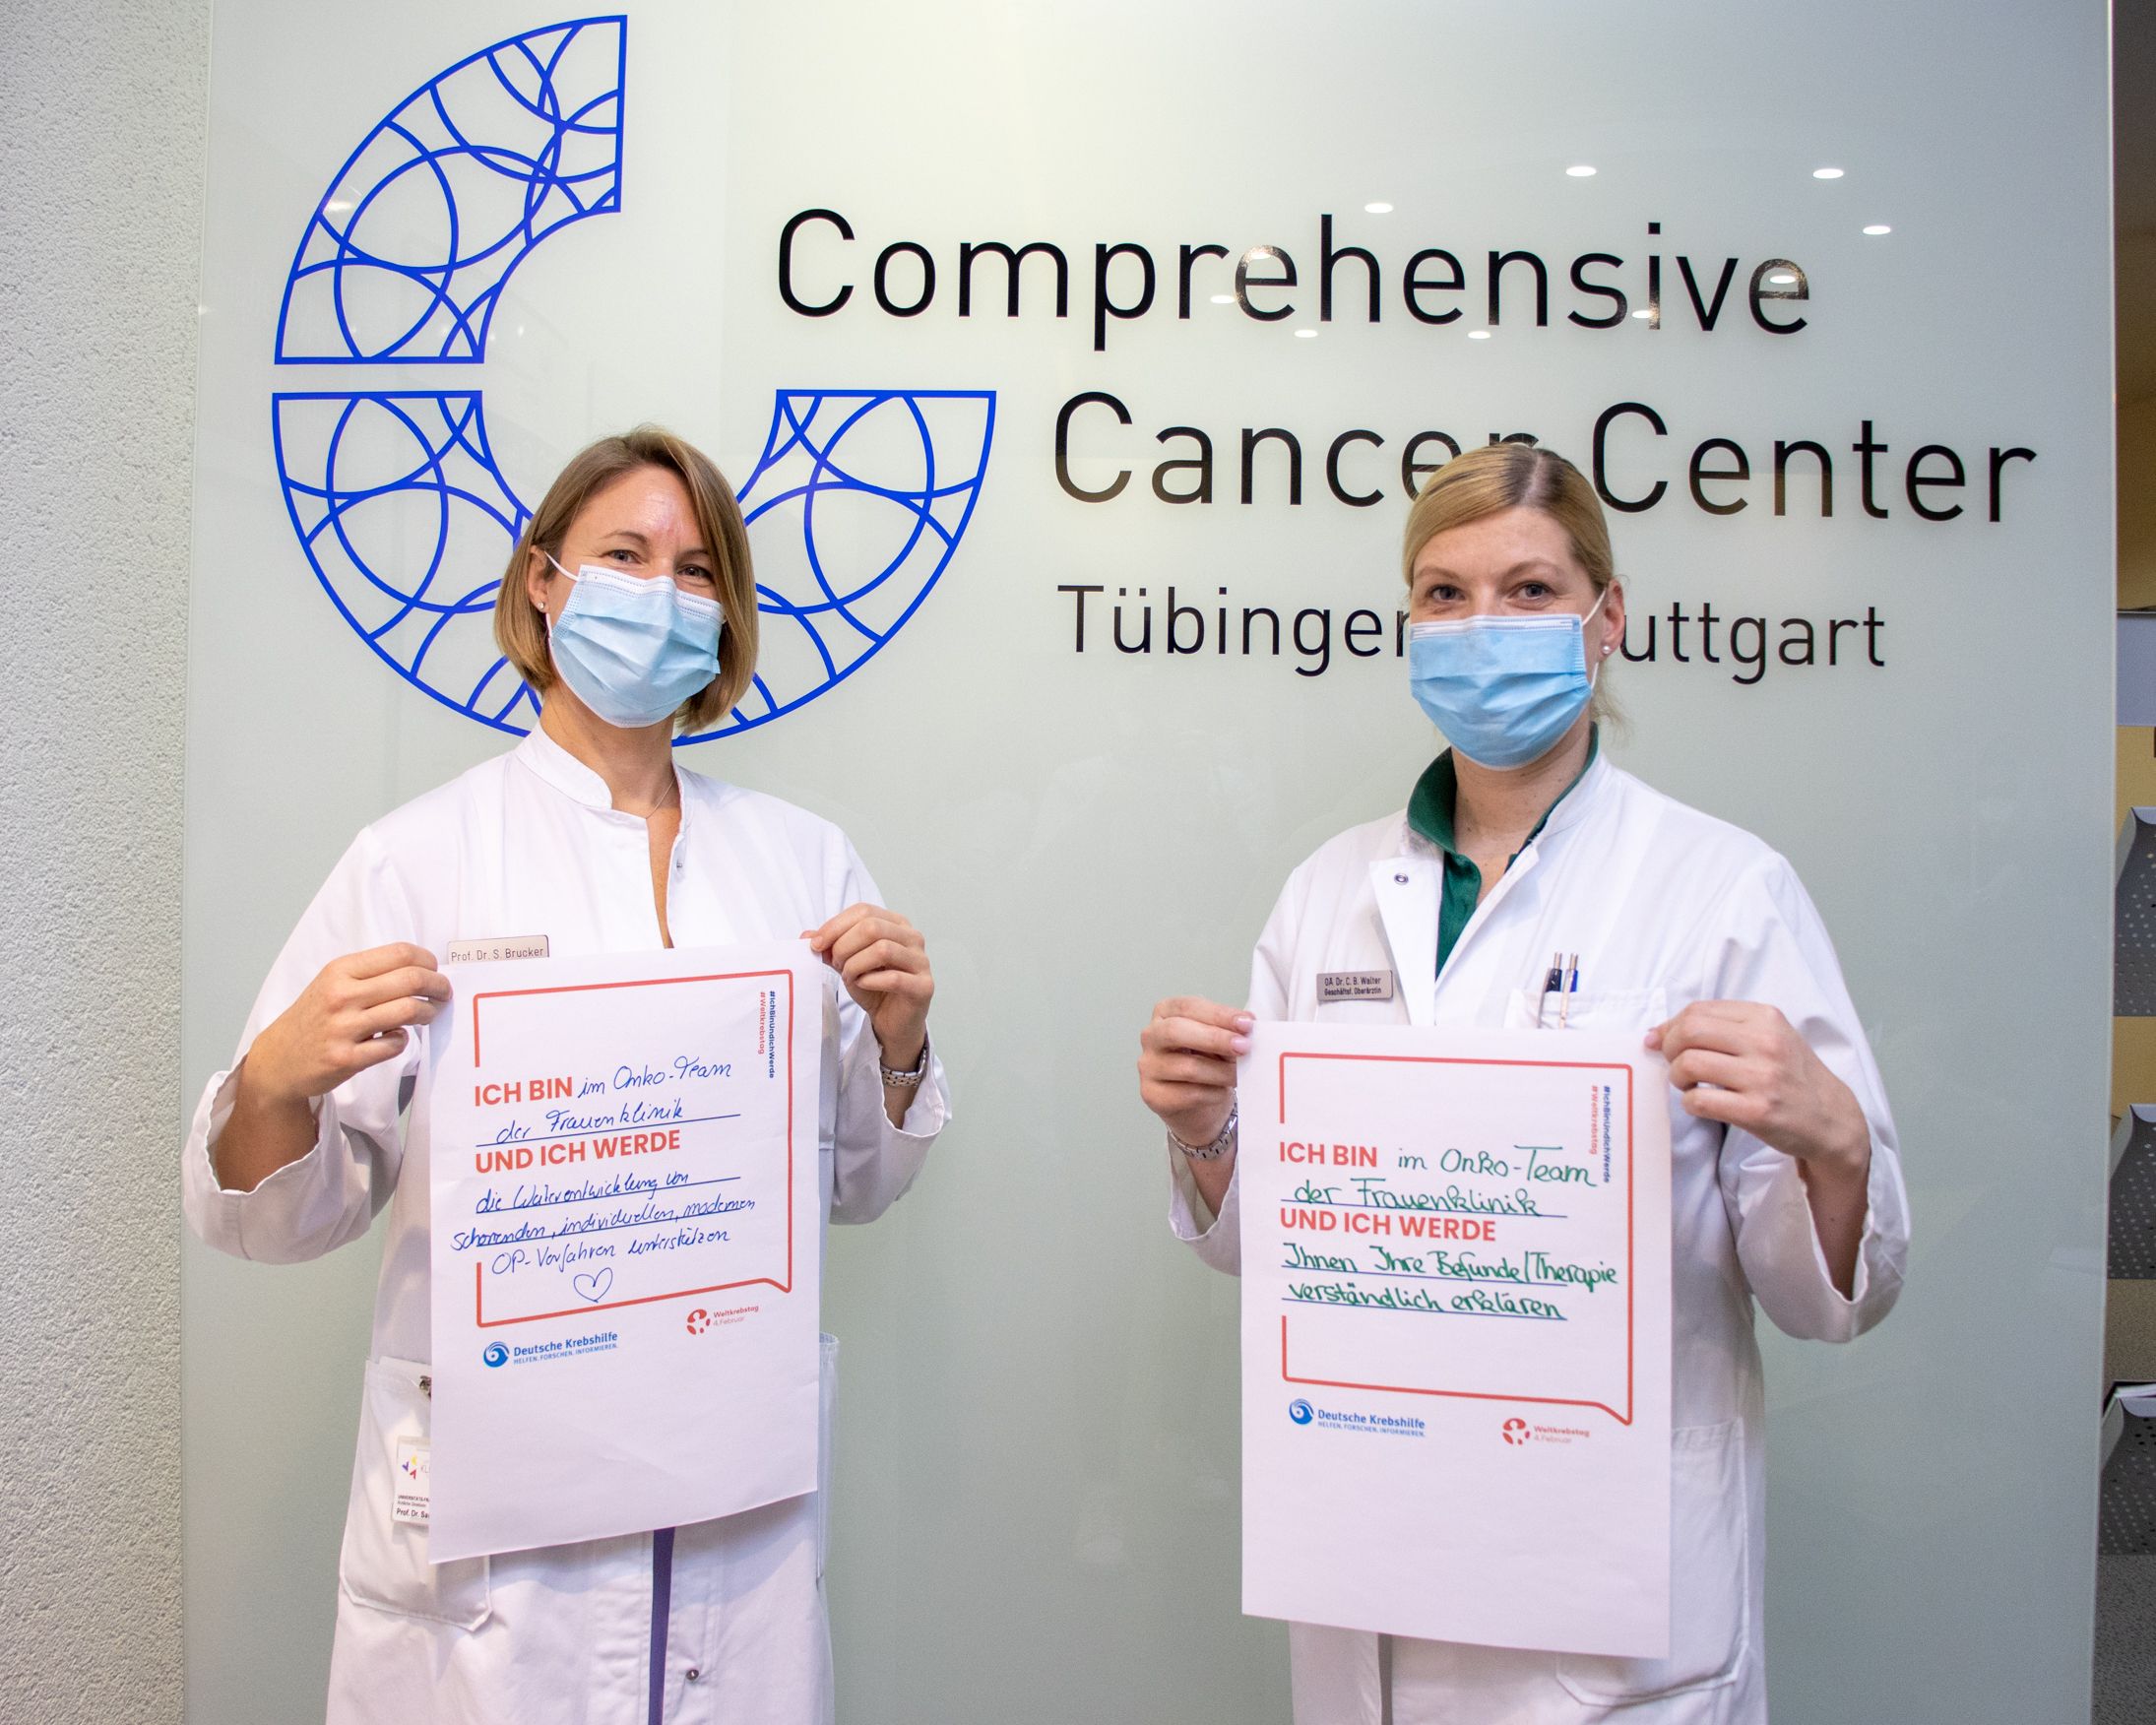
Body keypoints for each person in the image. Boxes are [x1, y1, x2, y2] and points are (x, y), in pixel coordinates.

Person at [182, 425, 947, 1725]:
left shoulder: (802, 864)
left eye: (696, 571)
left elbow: (855, 1189)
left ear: (728, 614)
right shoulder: (418, 859)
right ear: (543, 581)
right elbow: (284, 1219)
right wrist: (274, 1085)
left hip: (730, 1510)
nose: (661, 594)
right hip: (499, 1564)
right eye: (624, 556)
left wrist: (898, 1041)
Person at [1136, 441, 1908, 1724]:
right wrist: (1209, 1130)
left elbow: (1824, 1301)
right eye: (1443, 594)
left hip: (1612, 1613)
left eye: (1529, 590)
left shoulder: (1720, 889)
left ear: (1608, 619)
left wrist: (1833, 1140)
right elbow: (1281, 1258)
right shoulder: (1327, 892)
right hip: (1372, 1559)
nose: (1480, 626)